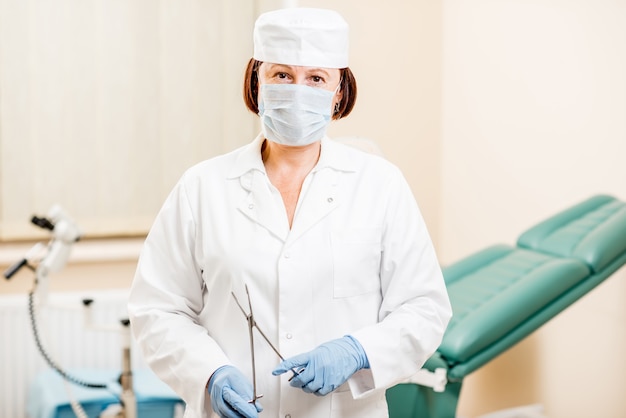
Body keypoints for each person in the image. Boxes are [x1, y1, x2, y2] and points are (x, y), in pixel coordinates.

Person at [128, 7, 452, 418]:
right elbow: (158, 309)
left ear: (338, 90)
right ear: (257, 80)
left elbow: (424, 309)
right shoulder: (202, 187)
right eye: (281, 75)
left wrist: (357, 352)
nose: (298, 91)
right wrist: (210, 374)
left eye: (316, 78)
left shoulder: (380, 185)